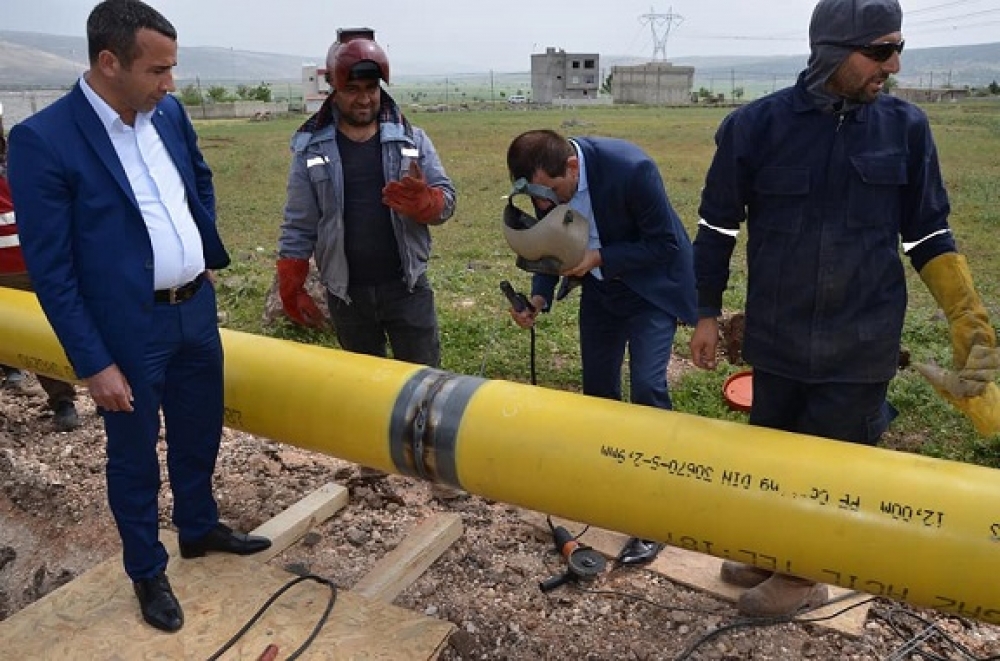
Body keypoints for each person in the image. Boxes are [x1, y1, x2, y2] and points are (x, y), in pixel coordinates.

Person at [688, 0, 999, 618]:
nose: (895, 64)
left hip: (861, 338)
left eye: (898, 48)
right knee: (772, 454)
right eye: (881, 51)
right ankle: (770, 548)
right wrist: (705, 312)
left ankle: (804, 577)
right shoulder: (756, 126)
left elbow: (928, 234)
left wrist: (967, 318)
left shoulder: (905, 129)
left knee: (831, 465)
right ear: (833, 50)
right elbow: (716, 226)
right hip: (777, 333)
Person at [7, 0, 270, 634]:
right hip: (126, 327)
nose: (170, 84)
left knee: (200, 428)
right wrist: (93, 363)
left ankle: (199, 529)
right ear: (108, 62)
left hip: (194, 312)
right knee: (133, 458)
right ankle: (147, 571)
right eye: (157, 70)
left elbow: (197, 180)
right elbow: (52, 270)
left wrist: (202, 251)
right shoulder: (44, 141)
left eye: (172, 69)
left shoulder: (169, 116)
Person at [504, 129, 698, 566]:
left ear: (571, 168)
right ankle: (610, 485)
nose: (543, 205)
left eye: (550, 193)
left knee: (647, 388)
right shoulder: (545, 184)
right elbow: (548, 241)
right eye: (535, 197)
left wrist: (600, 257)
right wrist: (537, 297)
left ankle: (655, 511)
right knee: (598, 392)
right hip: (600, 294)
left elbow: (664, 243)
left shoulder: (632, 170)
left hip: (652, 289)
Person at [276, 33, 456, 370]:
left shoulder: (412, 140)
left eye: (371, 88)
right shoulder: (310, 150)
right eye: (352, 90)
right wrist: (291, 280)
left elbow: (447, 201)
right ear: (333, 88)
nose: (364, 99)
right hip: (347, 296)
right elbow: (299, 224)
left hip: (407, 288)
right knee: (364, 391)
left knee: (423, 386)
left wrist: (427, 203)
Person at [0, 104, 81, 431]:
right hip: (32, 259)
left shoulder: (18, 162)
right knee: (45, 329)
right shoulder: (19, 159)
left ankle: (62, 398)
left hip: (24, 263)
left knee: (40, 331)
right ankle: (61, 399)